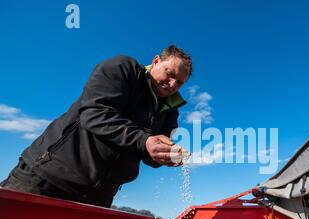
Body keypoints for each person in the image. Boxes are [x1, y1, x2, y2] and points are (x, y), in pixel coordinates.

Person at [0, 45, 192, 207]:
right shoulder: (124, 68)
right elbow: (94, 114)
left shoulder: (170, 110)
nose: (173, 84)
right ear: (156, 61)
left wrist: (166, 155)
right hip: (48, 177)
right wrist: (146, 141)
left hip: (98, 197)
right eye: (170, 73)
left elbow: (149, 155)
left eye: (180, 82)